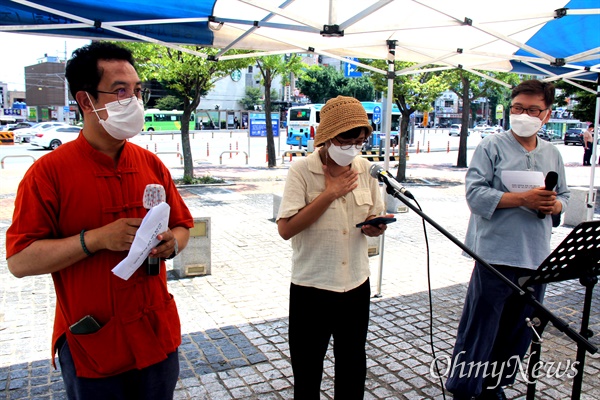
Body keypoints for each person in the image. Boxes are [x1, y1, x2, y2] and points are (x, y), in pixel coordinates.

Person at [6, 42, 194, 399]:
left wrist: (173, 243)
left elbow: (183, 226)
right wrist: (92, 240)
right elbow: (19, 261)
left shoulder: (150, 164)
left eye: (138, 91)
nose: (135, 101)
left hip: (155, 333)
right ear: (86, 100)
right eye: (121, 91)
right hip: (93, 342)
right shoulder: (48, 174)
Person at [446, 80, 570, 400]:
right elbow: (475, 194)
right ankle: (464, 387)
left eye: (532, 110)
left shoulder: (553, 153)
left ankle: (493, 385)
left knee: (519, 330)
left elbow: (564, 199)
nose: (523, 115)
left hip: (536, 256)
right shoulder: (492, 146)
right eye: (517, 108)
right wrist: (523, 199)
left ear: (546, 114)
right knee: (481, 327)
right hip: (495, 254)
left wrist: (554, 204)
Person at [276, 95, 393, 399]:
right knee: (307, 373)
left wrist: (373, 226)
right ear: (327, 136)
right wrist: (329, 194)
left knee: (353, 369)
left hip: (356, 284)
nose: (354, 145)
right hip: (311, 287)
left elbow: (370, 223)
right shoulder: (302, 170)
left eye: (360, 138)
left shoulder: (367, 170)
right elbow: (286, 229)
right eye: (346, 138)